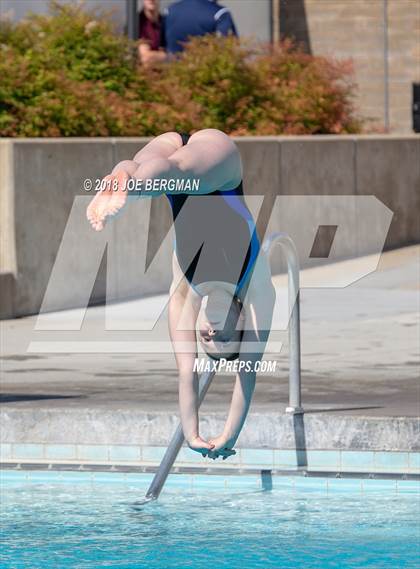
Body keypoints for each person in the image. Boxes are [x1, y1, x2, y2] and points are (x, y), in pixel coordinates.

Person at [86, 129, 275, 459]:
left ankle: (123, 178)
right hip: (220, 172)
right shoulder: (253, 284)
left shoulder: (186, 292)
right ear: (242, 322)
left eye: (207, 342)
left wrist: (193, 434)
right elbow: (247, 375)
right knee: (178, 173)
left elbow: (187, 372)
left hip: (171, 169)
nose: (211, 334)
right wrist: (229, 435)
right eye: (225, 339)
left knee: (147, 167)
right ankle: (128, 186)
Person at [165, 0, 237, 54]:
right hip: (204, 70)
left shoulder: (170, 10)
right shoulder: (220, 13)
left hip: (172, 70)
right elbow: (228, 49)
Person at [138, 0, 166, 66]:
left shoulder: (166, 22)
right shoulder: (138, 23)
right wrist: (168, 56)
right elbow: (145, 58)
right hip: (143, 75)